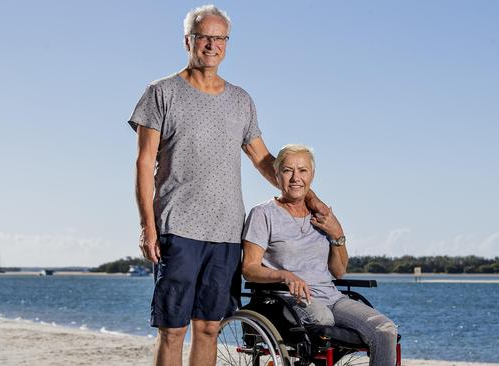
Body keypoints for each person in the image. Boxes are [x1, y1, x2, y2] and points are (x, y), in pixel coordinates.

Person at [127, 5, 331, 366]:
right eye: (204, 36)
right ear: (188, 40)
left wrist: (310, 199)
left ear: (227, 44)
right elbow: (144, 163)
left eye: (220, 38)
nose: (212, 44)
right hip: (178, 229)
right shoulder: (161, 93)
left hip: (226, 234)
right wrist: (148, 227)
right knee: (173, 329)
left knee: (209, 327)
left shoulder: (241, 100)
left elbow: (264, 160)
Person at [242, 144, 398, 365]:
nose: (296, 178)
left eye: (303, 170)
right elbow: (249, 269)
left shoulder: (320, 216)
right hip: (288, 299)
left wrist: (337, 233)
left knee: (385, 329)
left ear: (312, 175)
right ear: (276, 174)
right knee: (322, 318)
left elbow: (339, 270)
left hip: (331, 297)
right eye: (288, 170)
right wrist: (285, 275)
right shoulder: (263, 214)